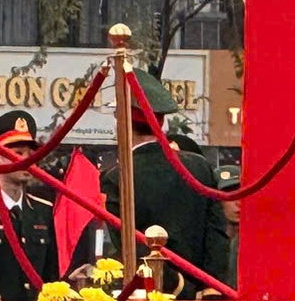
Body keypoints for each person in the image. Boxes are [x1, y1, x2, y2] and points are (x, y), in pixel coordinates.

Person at [69, 73, 229, 284]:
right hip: (206, 291)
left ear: (122, 124)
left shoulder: (118, 177)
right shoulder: (199, 166)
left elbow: (129, 246)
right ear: (160, 123)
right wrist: (211, 287)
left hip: (156, 291)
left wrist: (179, 285)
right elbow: (217, 234)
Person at [0, 110, 58, 301]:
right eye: (17, 153)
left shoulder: (43, 212)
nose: (28, 160)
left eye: (31, 154)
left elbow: (51, 277)